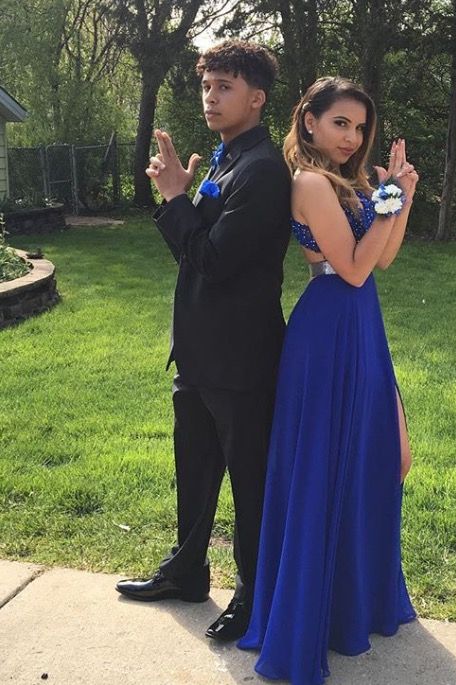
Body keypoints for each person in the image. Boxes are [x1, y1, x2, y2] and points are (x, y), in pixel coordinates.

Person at [237, 76, 419, 684]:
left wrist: (400, 195)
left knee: (370, 459)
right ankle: (313, 613)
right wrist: (388, 198)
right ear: (308, 121)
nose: (352, 136)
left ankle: (354, 604)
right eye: (340, 122)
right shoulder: (310, 183)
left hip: (363, 327)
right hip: (328, 329)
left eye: (360, 126)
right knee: (325, 465)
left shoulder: (353, 183)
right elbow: (352, 267)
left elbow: (385, 258)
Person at [115, 40, 291, 643]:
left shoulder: (265, 170)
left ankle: (254, 594)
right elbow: (196, 255)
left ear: (257, 98)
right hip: (198, 352)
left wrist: (173, 200)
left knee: (249, 481)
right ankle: (187, 571)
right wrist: (185, 198)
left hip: (242, 360)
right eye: (207, 86)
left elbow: (213, 261)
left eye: (225, 88)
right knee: (193, 471)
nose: (211, 97)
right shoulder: (224, 160)